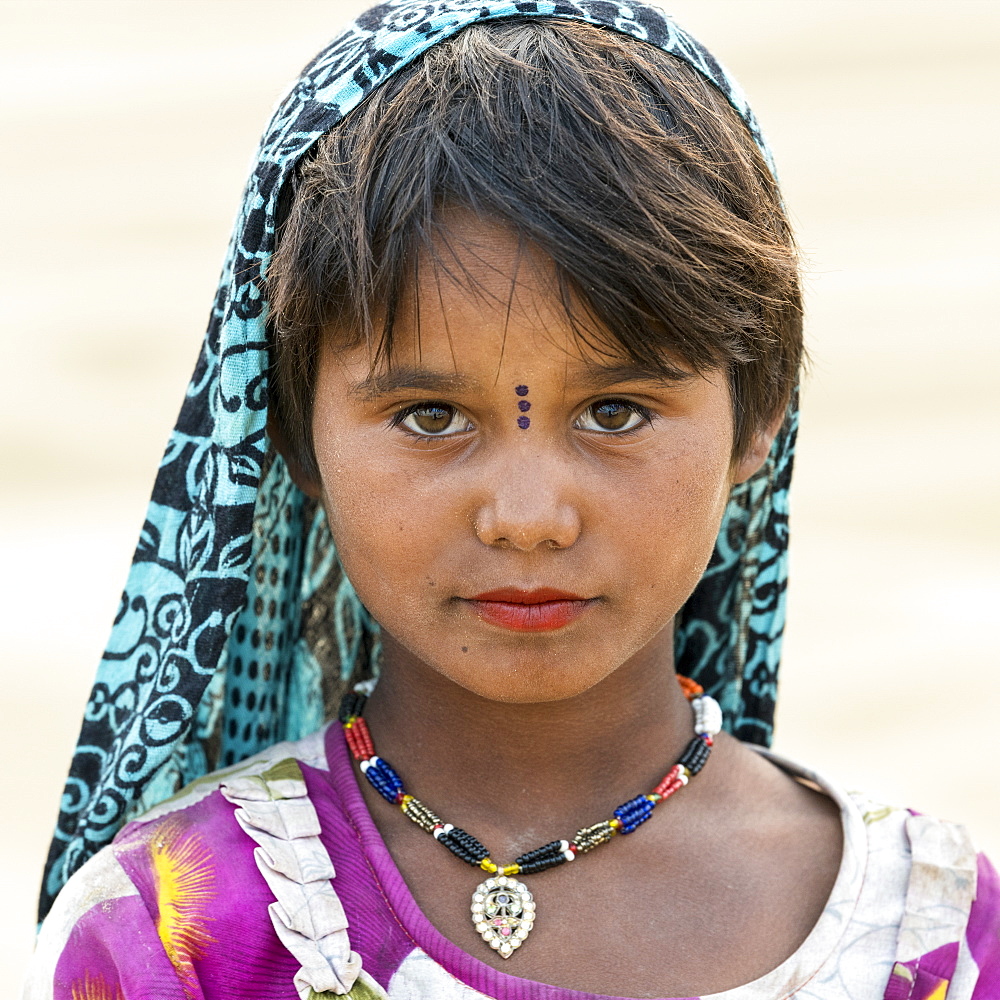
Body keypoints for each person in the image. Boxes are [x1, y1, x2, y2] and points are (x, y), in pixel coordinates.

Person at [23, 2, 1000, 997]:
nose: (529, 516)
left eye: (615, 411)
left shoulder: (929, 933)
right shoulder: (177, 931)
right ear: (289, 431)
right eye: (430, 415)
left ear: (760, 414)